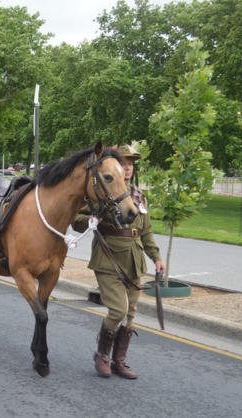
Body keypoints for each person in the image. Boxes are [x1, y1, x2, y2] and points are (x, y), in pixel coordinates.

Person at [72, 143, 166, 380]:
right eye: (123, 163)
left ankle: (119, 361)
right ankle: (102, 356)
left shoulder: (138, 196)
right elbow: (77, 219)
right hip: (108, 259)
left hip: (133, 260)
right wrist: (95, 217)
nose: (127, 168)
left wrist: (156, 258)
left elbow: (146, 232)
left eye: (131, 164)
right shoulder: (103, 193)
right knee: (118, 310)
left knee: (131, 313)